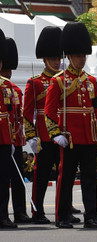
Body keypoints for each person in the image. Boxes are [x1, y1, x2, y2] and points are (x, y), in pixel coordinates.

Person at [45, 21, 97, 229]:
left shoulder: (91, 81)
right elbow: (49, 111)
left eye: (83, 55)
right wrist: (55, 133)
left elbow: (96, 109)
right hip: (68, 137)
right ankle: (62, 216)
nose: (81, 59)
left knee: (90, 179)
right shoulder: (59, 81)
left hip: (88, 136)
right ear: (69, 56)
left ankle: (91, 216)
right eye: (78, 55)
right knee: (66, 178)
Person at [23, 25, 62, 224]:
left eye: (58, 58)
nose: (57, 62)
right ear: (45, 60)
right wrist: (30, 135)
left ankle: (64, 208)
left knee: (64, 175)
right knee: (42, 175)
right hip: (44, 136)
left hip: (62, 135)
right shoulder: (35, 82)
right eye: (53, 59)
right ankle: (37, 210)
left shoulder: (65, 81)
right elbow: (28, 112)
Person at [1, 37, 28, 224]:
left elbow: (17, 116)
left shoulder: (12, 89)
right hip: (5, 137)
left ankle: (17, 211)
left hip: (10, 138)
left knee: (12, 179)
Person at [0, 29, 17, 229]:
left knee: (4, 181)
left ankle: (3, 215)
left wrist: (11, 139)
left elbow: (11, 115)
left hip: (4, 138)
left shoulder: (6, 88)